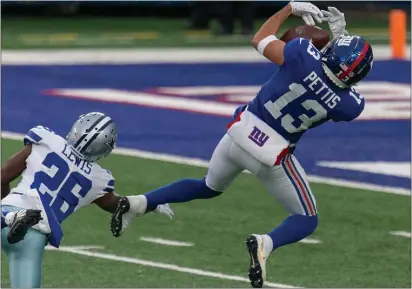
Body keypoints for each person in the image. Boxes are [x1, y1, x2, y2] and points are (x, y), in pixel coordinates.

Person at [110, 2, 373, 288]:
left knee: (208, 186)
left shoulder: (300, 52)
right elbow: (337, 82)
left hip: (240, 132)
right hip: (270, 153)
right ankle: (265, 243)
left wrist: (288, 9)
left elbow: (260, 39)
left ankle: (139, 202)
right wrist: (339, 40)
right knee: (306, 219)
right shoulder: (351, 106)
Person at [1, 112, 173, 288]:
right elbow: (118, 206)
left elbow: (2, 177)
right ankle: (12, 217)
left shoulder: (46, 141)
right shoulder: (98, 179)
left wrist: (5, 202)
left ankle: (9, 216)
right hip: (35, 234)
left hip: (10, 208)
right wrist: (151, 202)